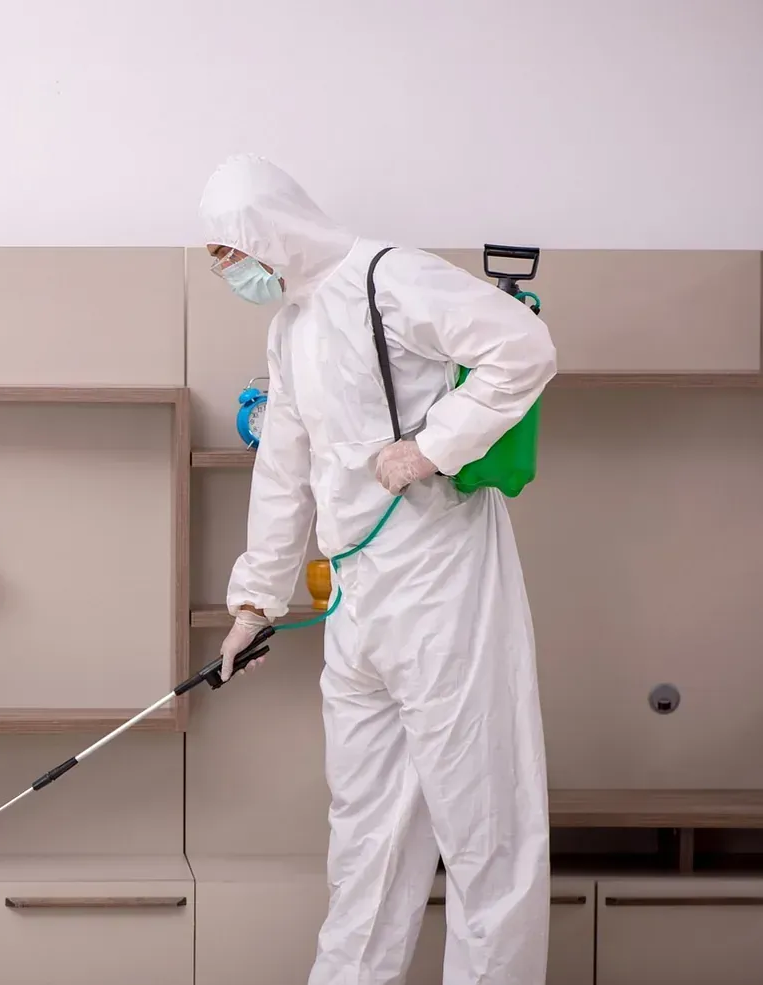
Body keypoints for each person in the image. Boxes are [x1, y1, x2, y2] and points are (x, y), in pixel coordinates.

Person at [200, 153, 556, 985]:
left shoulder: (391, 279)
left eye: (231, 252)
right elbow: (283, 467)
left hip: (444, 590)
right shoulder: (289, 324)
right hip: (358, 604)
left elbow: (524, 347)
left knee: (484, 830)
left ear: (268, 231)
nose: (230, 272)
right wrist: (255, 598)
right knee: (366, 835)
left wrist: (430, 449)